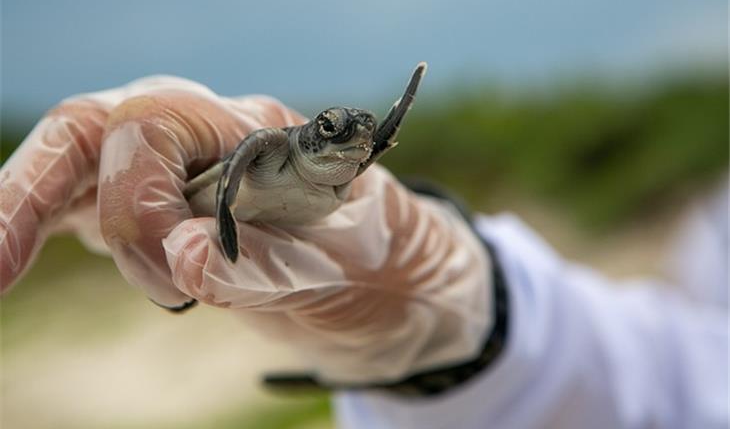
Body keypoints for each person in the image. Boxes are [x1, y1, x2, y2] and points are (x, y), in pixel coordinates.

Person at [0, 76, 727, 429]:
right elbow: (678, 373)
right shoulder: (711, 240)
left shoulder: (358, 155)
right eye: (336, 126)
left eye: (363, 133)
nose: (353, 134)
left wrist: (436, 297)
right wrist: (483, 327)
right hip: (234, 198)